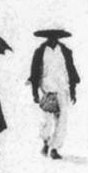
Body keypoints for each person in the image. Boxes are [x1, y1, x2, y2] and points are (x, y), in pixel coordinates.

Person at [28, 29, 80, 160]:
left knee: (62, 120)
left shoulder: (65, 52)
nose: (53, 39)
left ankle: (55, 148)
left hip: (63, 89)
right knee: (46, 120)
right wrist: (34, 92)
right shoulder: (40, 52)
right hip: (47, 89)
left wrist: (73, 91)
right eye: (50, 37)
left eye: (55, 37)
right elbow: (34, 73)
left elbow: (71, 70)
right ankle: (46, 142)